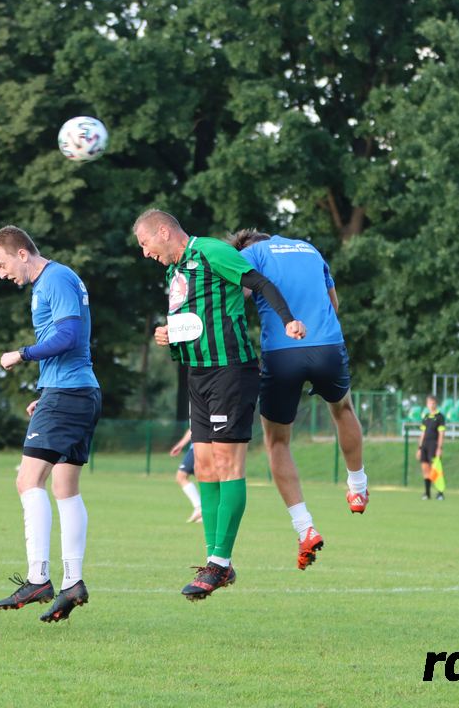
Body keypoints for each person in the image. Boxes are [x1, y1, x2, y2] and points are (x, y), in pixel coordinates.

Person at [133, 210, 305, 600]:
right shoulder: (174, 272)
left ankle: (219, 563)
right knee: (206, 467)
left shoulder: (211, 251)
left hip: (230, 370)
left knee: (228, 464)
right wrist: (168, 333)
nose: (145, 253)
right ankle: (214, 560)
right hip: (197, 375)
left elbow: (259, 282)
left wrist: (289, 320)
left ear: (164, 231)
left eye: (146, 244)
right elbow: (193, 321)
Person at [228, 229, 368, 571]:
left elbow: (239, 294)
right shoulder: (309, 248)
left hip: (282, 352)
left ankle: (305, 528)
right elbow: (333, 303)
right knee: (343, 409)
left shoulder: (251, 255)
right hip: (327, 345)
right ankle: (358, 487)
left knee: (277, 441)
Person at [0, 225, 100, 622]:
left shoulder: (55, 278)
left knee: (27, 480)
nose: (2, 275)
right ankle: (73, 582)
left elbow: (69, 335)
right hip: (71, 392)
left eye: (2, 265)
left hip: (69, 395)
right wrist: (46, 392)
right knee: (65, 488)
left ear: (21, 253)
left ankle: (38, 578)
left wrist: (22, 353)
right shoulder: (49, 283)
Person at [169, 428, 202, 523]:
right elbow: (193, 427)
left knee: (181, 476)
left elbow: (195, 426)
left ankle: (200, 508)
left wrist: (180, 445)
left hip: (199, 446)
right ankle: (203, 510)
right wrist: (181, 445)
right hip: (199, 445)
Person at [417, 395, 445, 501]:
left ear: (436, 404)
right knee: (425, 469)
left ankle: (440, 492)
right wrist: (419, 447)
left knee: (436, 469)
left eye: (433, 403)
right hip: (425, 445)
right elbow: (423, 433)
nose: (431, 405)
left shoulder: (440, 417)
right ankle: (427, 493)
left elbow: (441, 433)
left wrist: (439, 447)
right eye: (429, 403)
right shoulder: (426, 417)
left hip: (434, 445)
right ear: (427, 404)